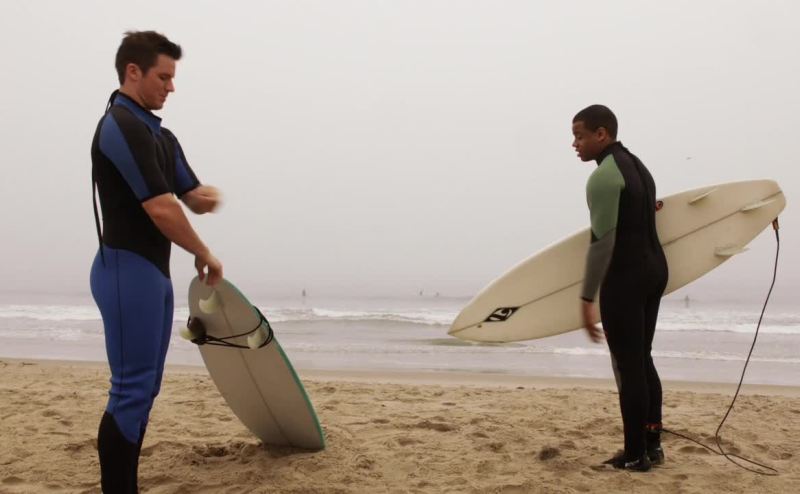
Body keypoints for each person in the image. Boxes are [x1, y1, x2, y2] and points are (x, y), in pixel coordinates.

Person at [90, 31, 223, 492]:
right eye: (163, 77)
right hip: (125, 271)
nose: (171, 86)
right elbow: (161, 208)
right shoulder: (120, 125)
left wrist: (210, 198)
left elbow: (189, 195)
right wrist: (203, 252)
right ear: (134, 72)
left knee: (145, 389)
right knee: (129, 391)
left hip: (150, 274)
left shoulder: (160, 136)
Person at [571, 105, 668, 472]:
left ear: (602, 134)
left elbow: (601, 244)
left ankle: (634, 454)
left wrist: (586, 298)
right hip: (655, 270)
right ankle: (652, 445)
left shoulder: (603, 177)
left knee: (629, 367)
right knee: (642, 358)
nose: (575, 144)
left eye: (580, 136)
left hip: (626, 279)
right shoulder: (639, 167)